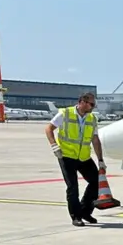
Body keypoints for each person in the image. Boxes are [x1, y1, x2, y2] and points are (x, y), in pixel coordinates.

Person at [46, 92, 104, 226]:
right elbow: (49, 129)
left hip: (84, 157)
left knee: (96, 182)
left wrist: (100, 160)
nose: (93, 107)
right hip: (66, 156)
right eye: (91, 104)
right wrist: (54, 145)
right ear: (82, 102)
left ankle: (85, 211)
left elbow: (95, 140)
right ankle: (76, 216)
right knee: (73, 187)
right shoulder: (65, 114)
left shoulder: (92, 119)